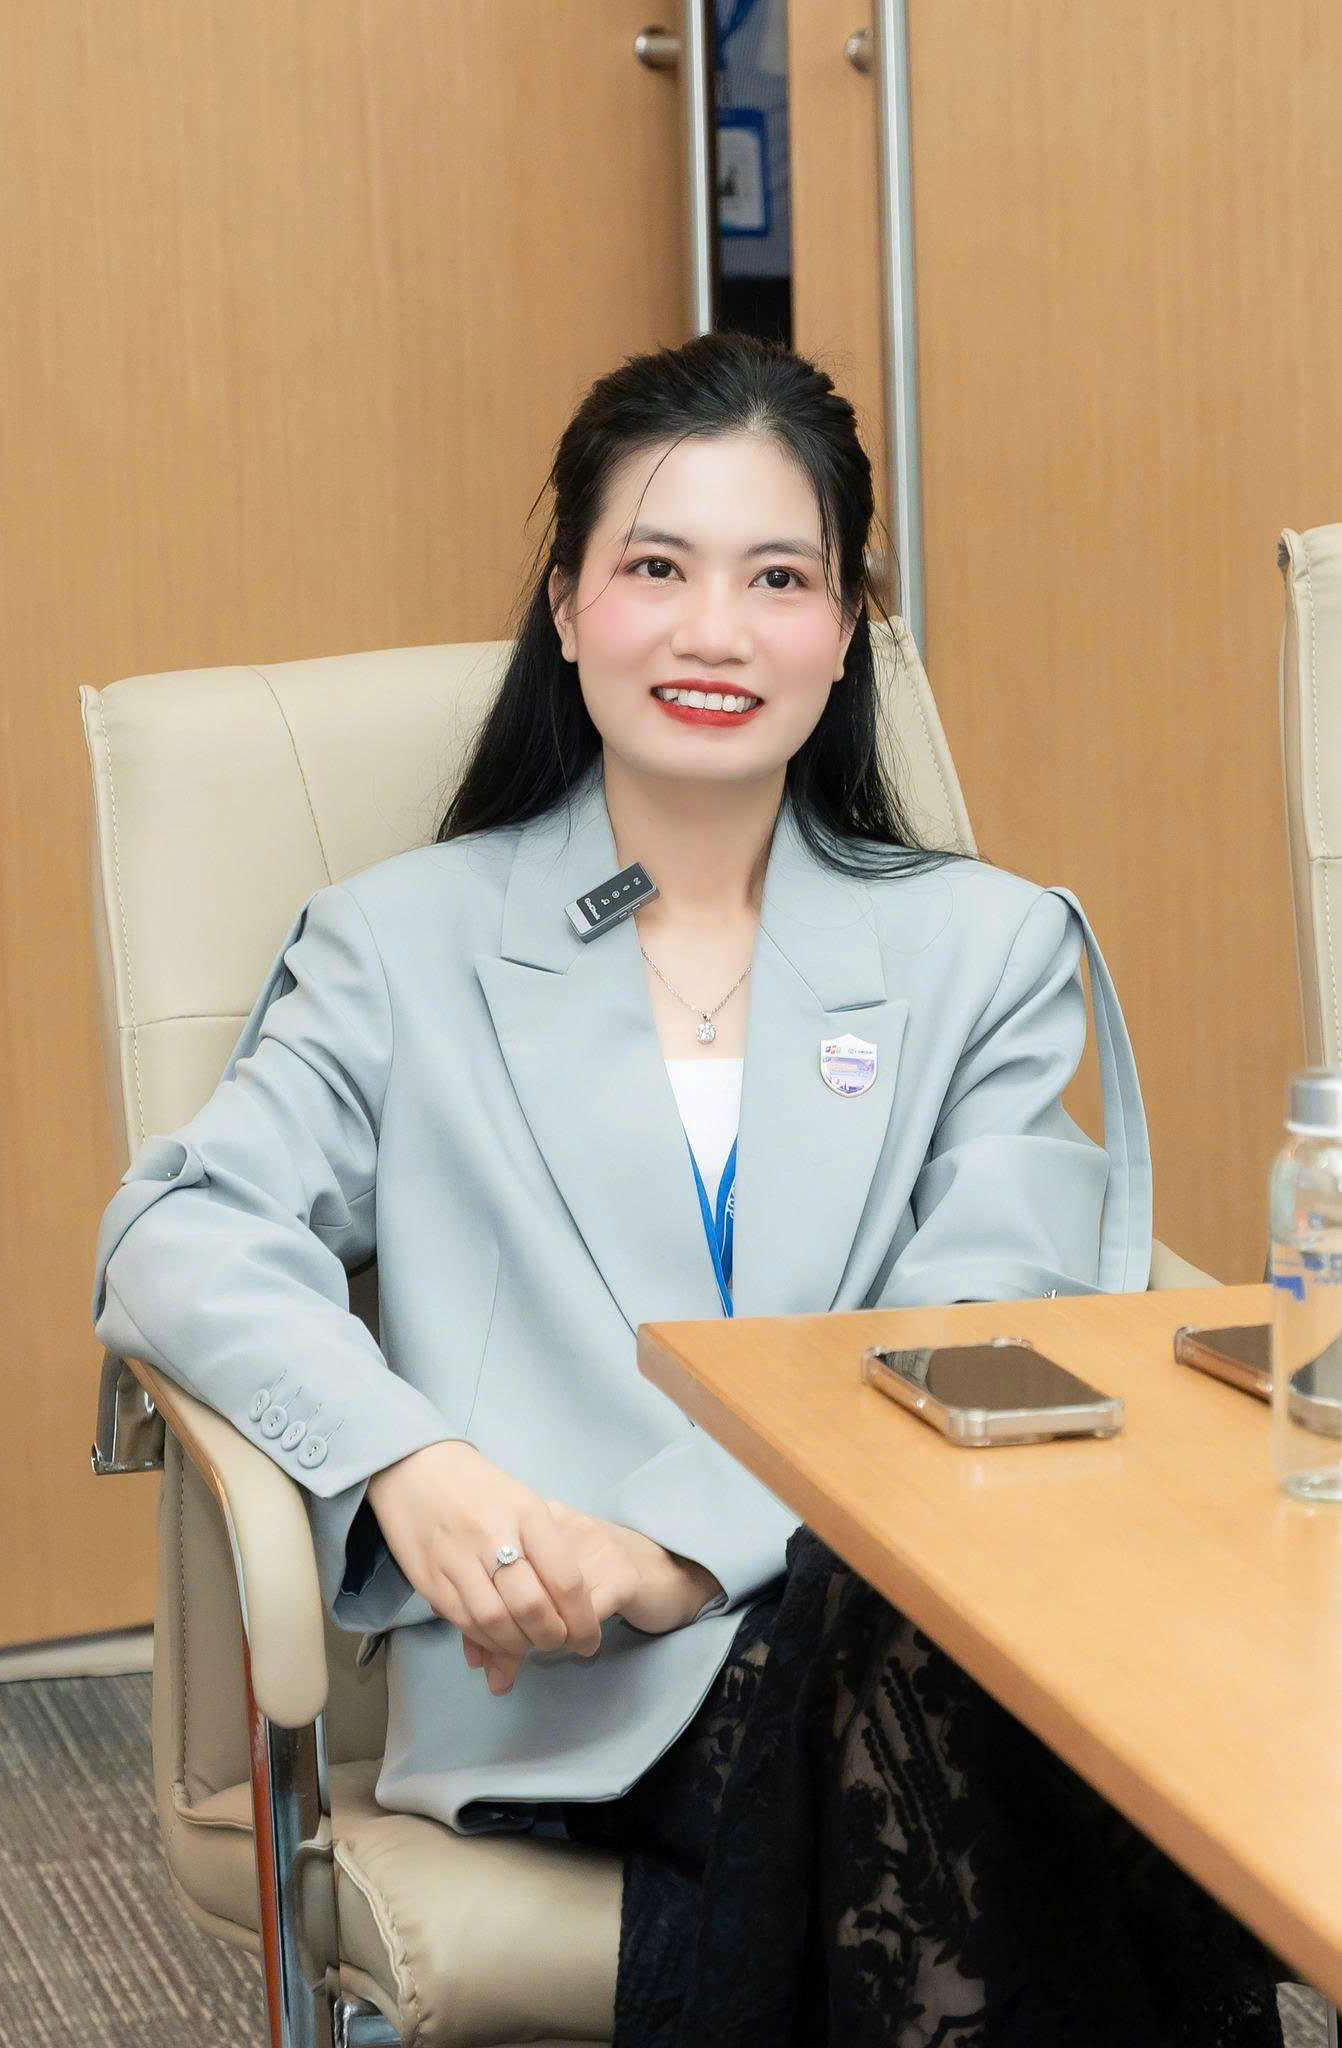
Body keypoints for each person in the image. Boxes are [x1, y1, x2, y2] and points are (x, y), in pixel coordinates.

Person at [93, 334, 1280, 2044]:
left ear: (848, 630)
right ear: (567, 606)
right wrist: (409, 1462)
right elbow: (181, 1230)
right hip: (568, 1680)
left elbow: (973, 1323)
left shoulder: (986, 951)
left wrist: (672, 1543)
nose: (713, 631)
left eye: (776, 577)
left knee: (949, 1667)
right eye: (656, 567)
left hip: (872, 1620)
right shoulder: (402, 946)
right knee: (1027, 1739)